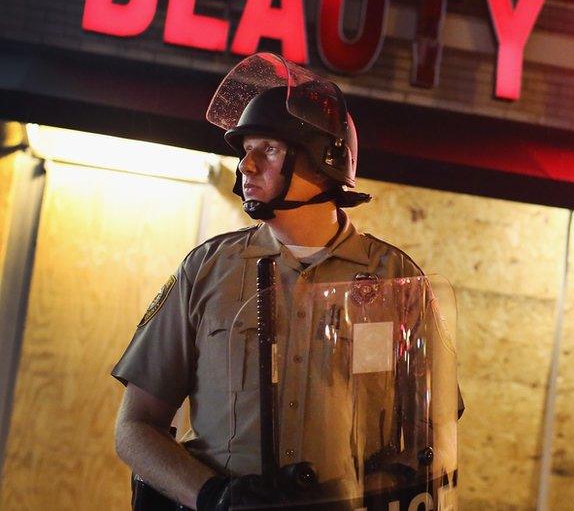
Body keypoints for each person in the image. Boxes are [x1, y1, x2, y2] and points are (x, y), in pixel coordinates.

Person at [112, 54, 456, 510]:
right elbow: (135, 429)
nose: (247, 167)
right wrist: (215, 497)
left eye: (269, 150)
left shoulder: (395, 281)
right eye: (245, 151)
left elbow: (432, 436)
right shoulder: (207, 270)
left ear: (323, 161)